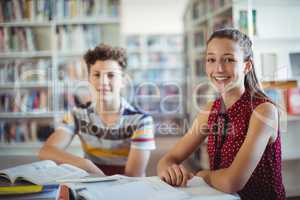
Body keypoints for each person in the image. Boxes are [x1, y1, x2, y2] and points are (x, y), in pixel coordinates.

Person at [157, 28, 285, 199]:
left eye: (229, 59)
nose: (218, 68)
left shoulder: (263, 111)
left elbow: (231, 182)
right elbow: (168, 158)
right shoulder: (210, 110)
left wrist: (203, 174)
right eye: (211, 59)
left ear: (247, 66)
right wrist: (169, 168)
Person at [39, 44, 156, 176]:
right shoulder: (77, 114)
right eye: (97, 75)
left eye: (111, 75)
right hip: (92, 187)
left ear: (123, 80)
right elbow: (46, 151)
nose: (103, 82)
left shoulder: (142, 121)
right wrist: (85, 164)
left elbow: (132, 177)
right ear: (89, 79)